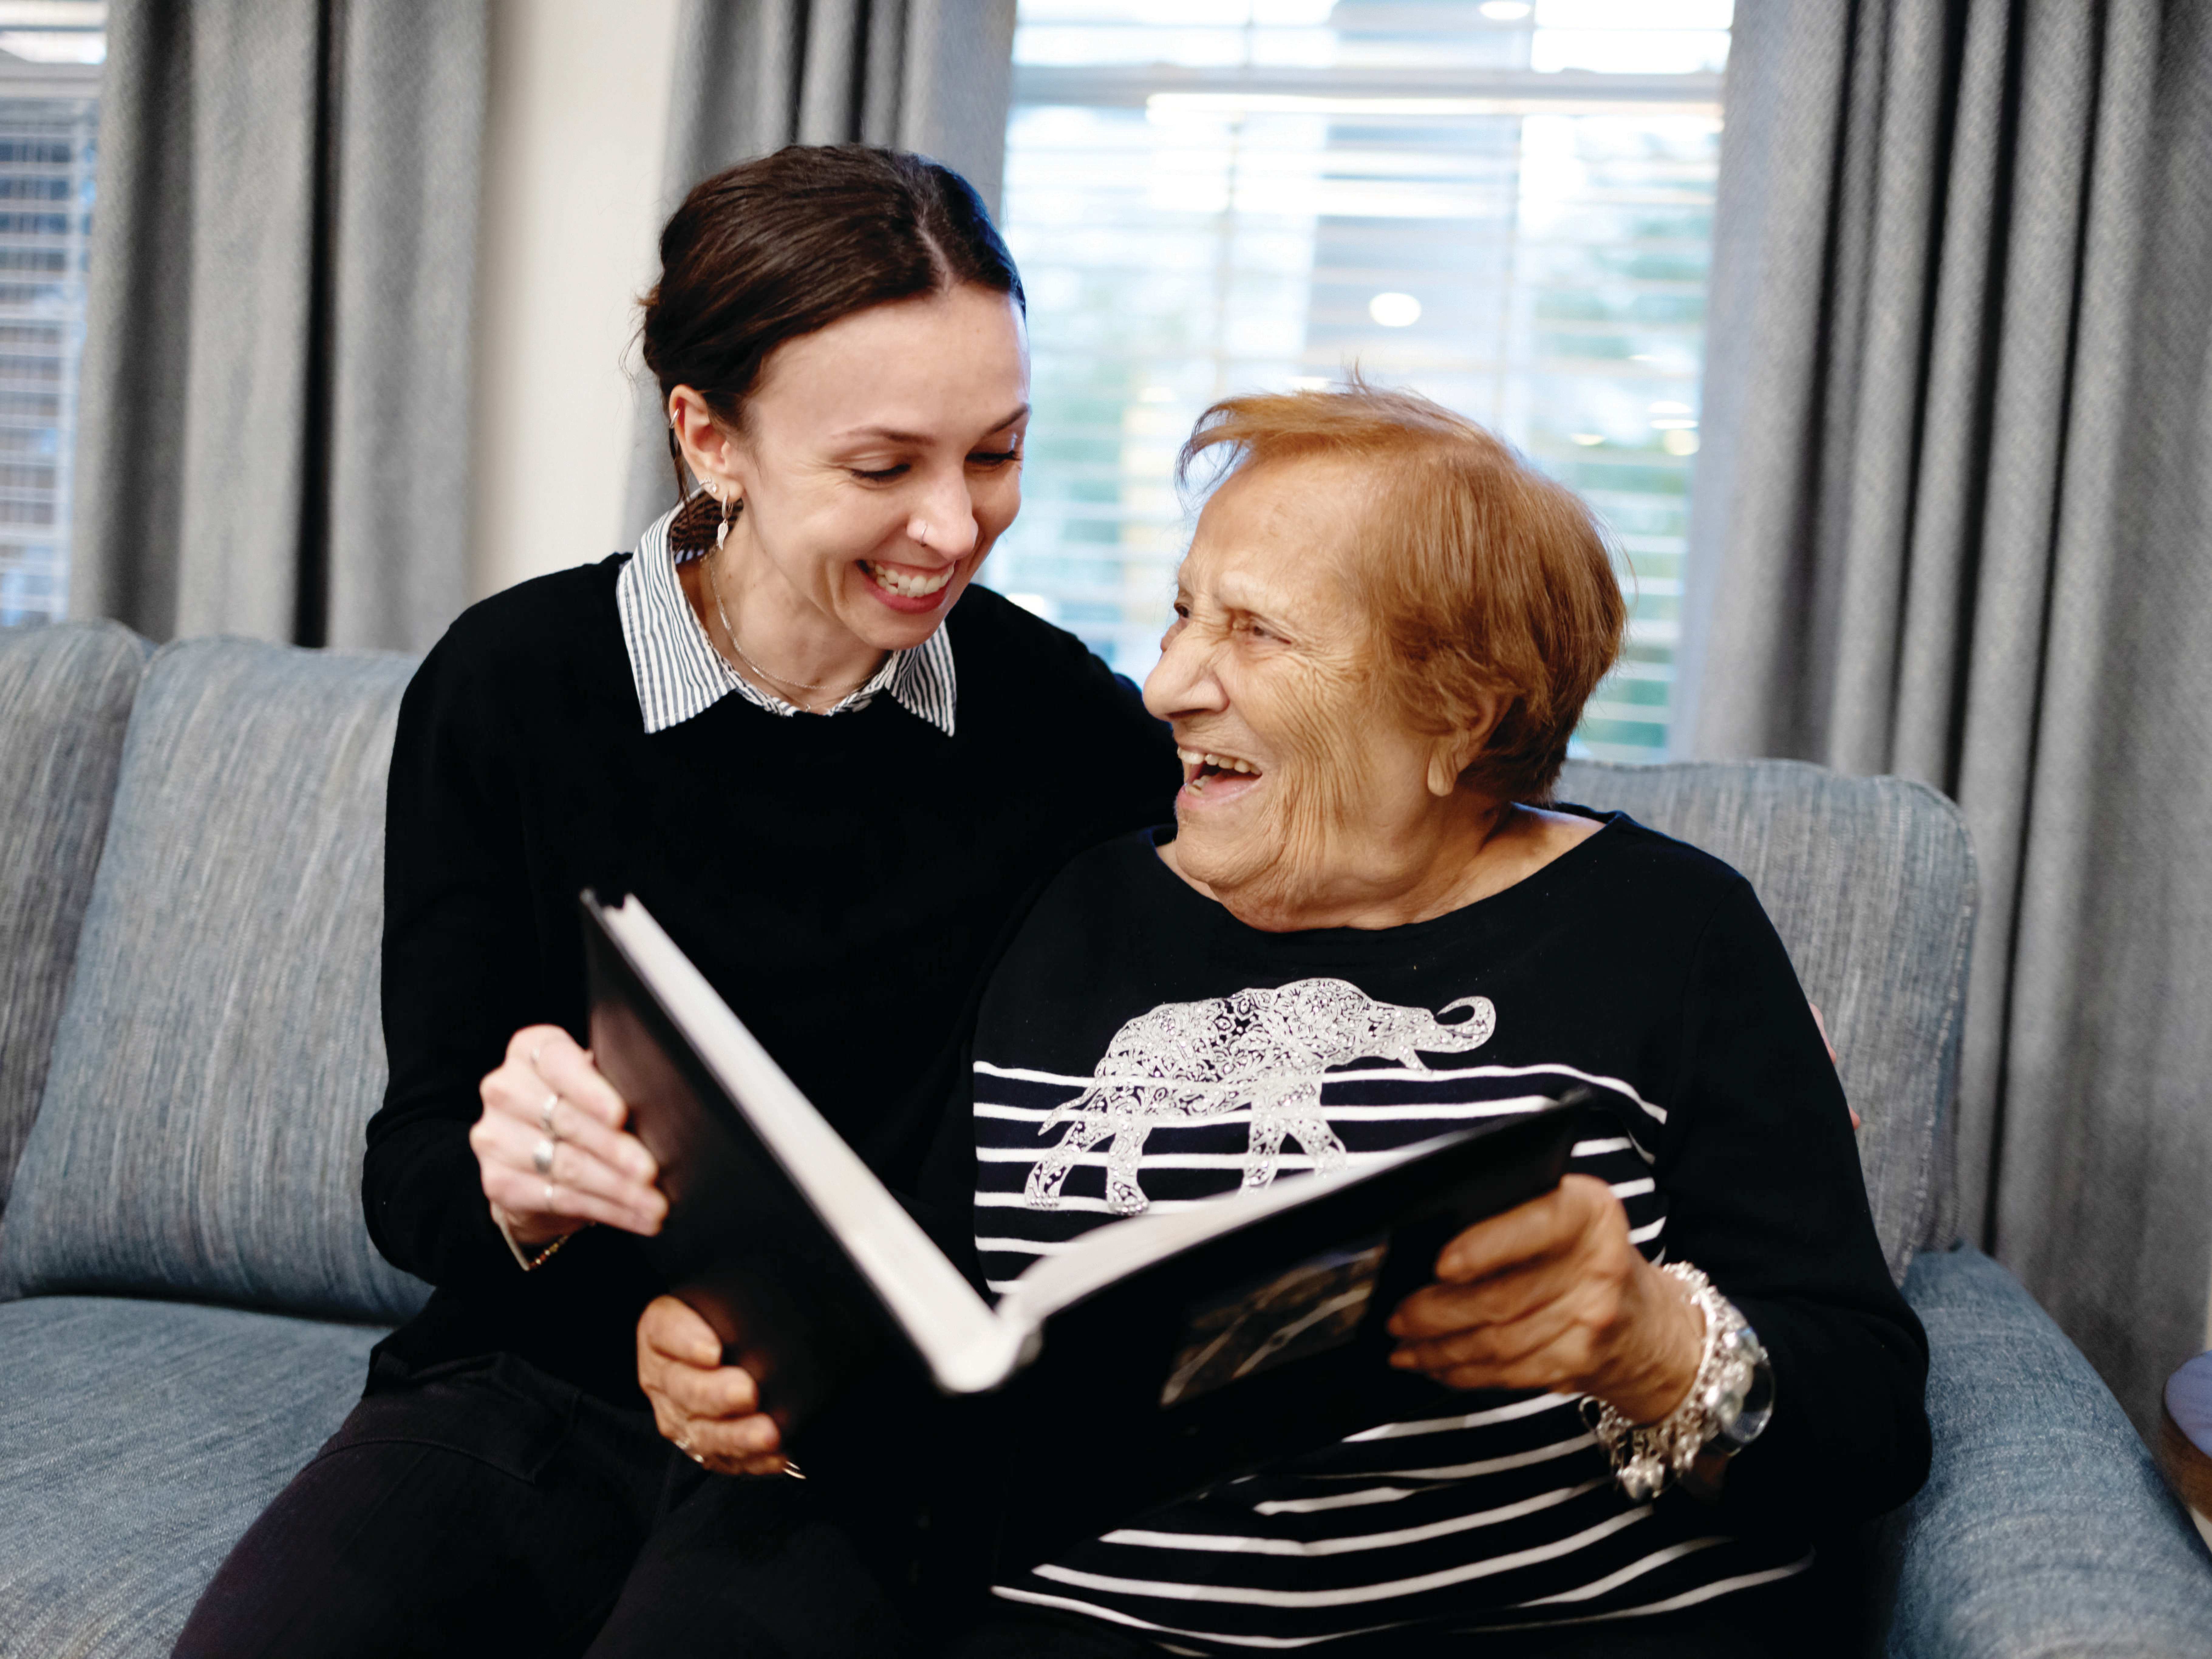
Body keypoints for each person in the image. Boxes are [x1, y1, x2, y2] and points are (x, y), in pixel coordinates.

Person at [644, 385, 1932, 1655]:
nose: (1165, 688)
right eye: (1182, 614)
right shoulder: (1072, 905)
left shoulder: (1669, 932)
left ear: (1458, 716)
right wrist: (761, 1370)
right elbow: (910, 1318)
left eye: (1256, 632)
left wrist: (1652, 1343)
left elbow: (1868, 1417)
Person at [172, 146, 1180, 1658]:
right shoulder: (514, 688)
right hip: (528, 1387)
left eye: (997, 453)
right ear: (709, 436)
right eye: (882, 466)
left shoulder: (1065, 732)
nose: (956, 528)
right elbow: (417, 1172)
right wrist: (518, 1191)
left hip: (859, 1437)